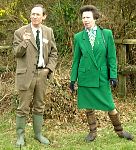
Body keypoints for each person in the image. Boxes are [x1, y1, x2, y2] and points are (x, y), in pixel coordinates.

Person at [69, 5, 133, 142]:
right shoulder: (79, 37)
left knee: (110, 105)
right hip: (85, 76)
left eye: (88, 17)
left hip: (101, 76)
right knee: (88, 106)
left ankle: (120, 131)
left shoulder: (106, 34)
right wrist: (73, 79)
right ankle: (92, 132)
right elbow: (76, 60)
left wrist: (113, 75)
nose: (85, 20)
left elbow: (111, 57)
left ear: (95, 18)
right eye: (83, 18)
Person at [13, 4, 58, 147]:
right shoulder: (20, 32)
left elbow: (53, 53)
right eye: (32, 14)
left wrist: (48, 69)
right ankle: (20, 136)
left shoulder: (48, 32)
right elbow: (16, 53)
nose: (34, 16)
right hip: (25, 75)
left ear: (44, 17)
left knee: (40, 105)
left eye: (38, 14)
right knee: (23, 107)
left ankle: (38, 134)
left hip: (42, 74)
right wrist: (25, 42)